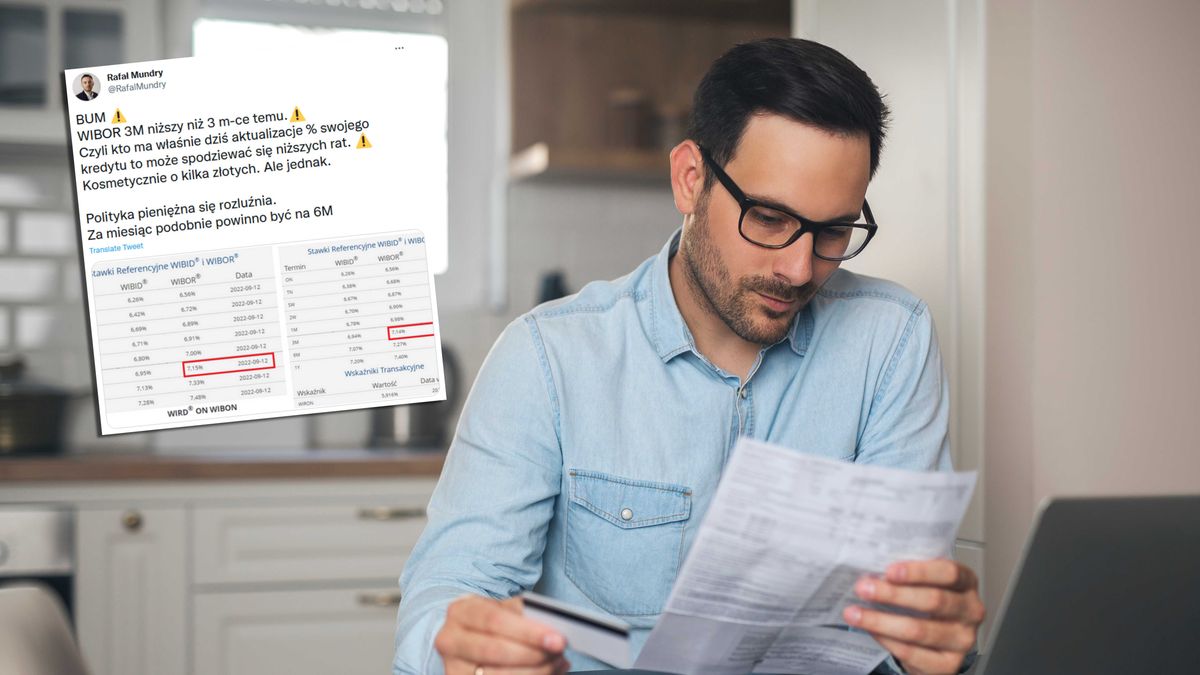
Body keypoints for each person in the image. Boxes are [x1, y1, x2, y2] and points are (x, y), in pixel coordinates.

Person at [394, 38, 985, 675]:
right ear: (690, 179)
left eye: (834, 231)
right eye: (768, 217)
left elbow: (901, 626)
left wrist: (930, 653)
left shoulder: (892, 342)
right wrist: (467, 651)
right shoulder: (547, 358)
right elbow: (444, 598)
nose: (798, 267)